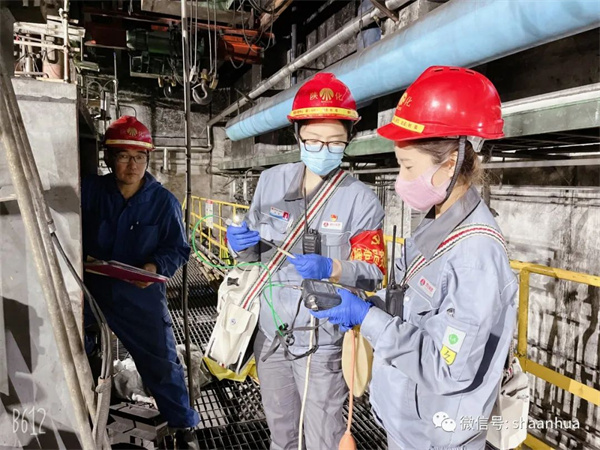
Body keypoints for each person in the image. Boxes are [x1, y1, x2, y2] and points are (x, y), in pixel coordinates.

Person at [311, 66, 518, 449]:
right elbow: (414, 307)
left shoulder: (474, 256)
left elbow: (447, 368)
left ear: (450, 164)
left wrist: (368, 319)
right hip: (409, 423)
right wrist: (367, 304)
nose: (400, 180)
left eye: (408, 167)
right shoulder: (437, 224)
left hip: (436, 437)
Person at [226, 73, 386, 450]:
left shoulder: (361, 201)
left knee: (322, 437)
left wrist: (332, 268)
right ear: (297, 135)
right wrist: (239, 245)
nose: (323, 149)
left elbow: (374, 274)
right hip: (270, 332)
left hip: (322, 341)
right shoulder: (271, 182)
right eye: (313, 140)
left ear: (348, 139)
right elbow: (252, 255)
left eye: (334, 142)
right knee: (281, 431)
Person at [81, 116, 200, 448]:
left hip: (140, 296)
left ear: (148, 159)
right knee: (79, 350)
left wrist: (154, 266)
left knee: (161, 362)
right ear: (108, 158)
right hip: (91, 292)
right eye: (123, 156)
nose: (132, 165)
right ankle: (88, 415)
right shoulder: (90, 191)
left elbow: (178, 248)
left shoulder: (163, 203)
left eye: (139, 157)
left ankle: (183, 426)